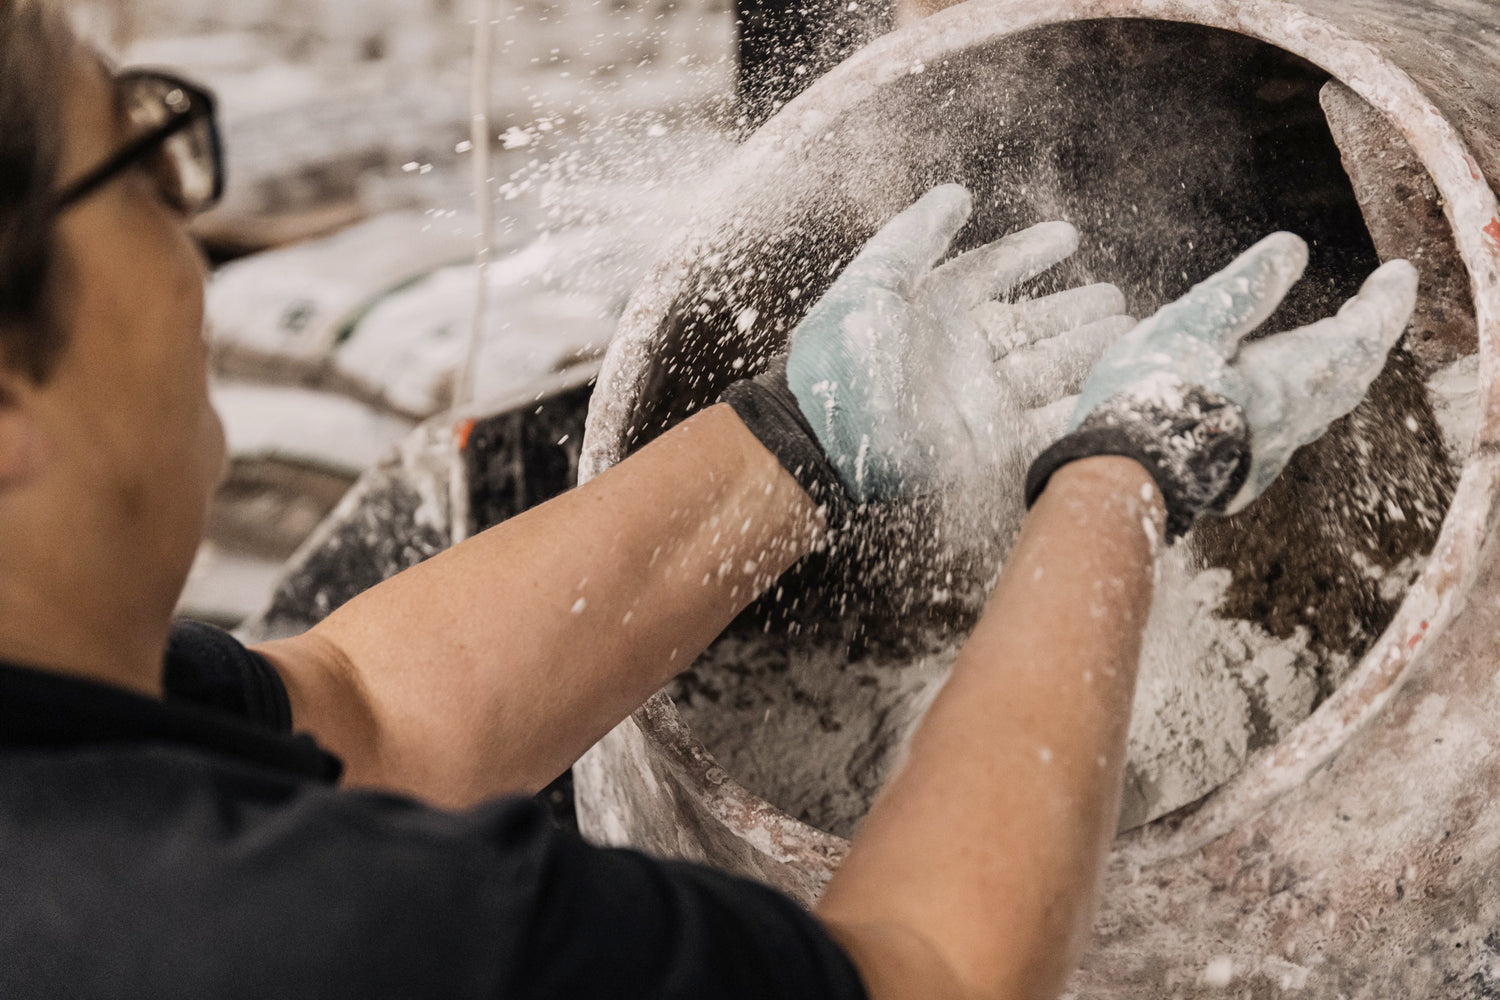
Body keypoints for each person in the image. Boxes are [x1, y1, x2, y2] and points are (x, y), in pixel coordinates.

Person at [0, 4, 1418, 998]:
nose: (185, 224)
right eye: (137, 157)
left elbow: (367, 713)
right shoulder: (283, 932)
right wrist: (1120, 473)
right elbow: (928, 970)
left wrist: (797, 439)